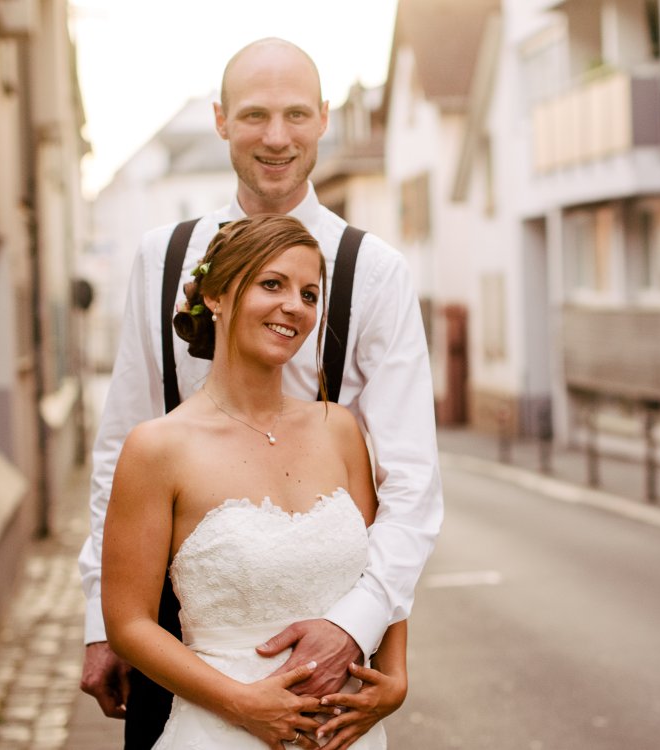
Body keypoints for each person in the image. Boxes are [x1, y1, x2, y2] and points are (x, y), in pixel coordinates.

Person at [78, 37, 442, 749]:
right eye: (254, 116)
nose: (277, 138)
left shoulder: (377, 272)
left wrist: (365, 633)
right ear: (220, 120)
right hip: (185, 635)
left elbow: (407, 485)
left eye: (296, 115)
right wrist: (102, 620)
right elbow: (120, 444)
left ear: (325, 119)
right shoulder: (161, 256)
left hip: (337, 646)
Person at [104, 215, 405, 749]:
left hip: (346, 734)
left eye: (310, 293)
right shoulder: (156, 448)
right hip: (222, 729)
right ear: (216, 295)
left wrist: (395, 678)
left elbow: (382, 561)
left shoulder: (339, 429)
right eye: (273, 284)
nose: (295, 306)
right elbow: (128, 623)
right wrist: (241, 703)